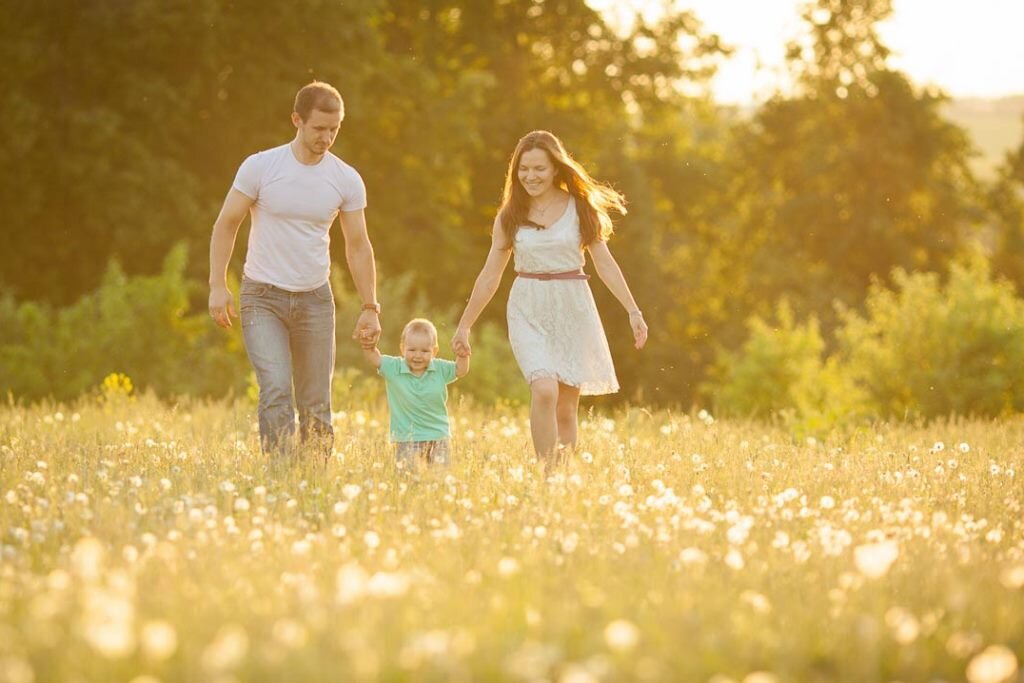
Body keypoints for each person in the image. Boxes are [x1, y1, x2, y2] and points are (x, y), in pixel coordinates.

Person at [452, 130, 647, 467]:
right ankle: (546, 473)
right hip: (528, 305)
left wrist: (633, 310)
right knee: (544, 390)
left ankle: (561, 479)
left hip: (573, 306)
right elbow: (490, 275)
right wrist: (464, 326)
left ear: (556, 168)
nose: (530, 176)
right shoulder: (510, 215)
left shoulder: (580, 208)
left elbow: (604, 263)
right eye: (523, 169)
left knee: (567, 408)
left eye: (539, 168)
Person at [208, 81, 381, 460]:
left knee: (316, 401)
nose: (327, 137)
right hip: (262, 298)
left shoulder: (345, 179)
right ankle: (282, 474)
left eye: (335, 129)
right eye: (319, 128)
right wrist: (217, 285)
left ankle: (313, 480)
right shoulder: (261, 167)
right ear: (297, 120)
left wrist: (370, 305)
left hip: (315, 301)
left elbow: (358, 245)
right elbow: (227, 224)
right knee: (276, 389)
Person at [361, 318, 470, 470]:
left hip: (438, 437)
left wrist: (463, 355)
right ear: (402, 348)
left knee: (439, 480)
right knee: (409, 480)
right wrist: (367, 343)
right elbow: (374, 358)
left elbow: (461, 370)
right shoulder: (394, 367)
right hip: (407, 439)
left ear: (434, 351)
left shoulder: (439, 368)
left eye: (425, 351)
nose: (418, 355)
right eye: (412, 350)